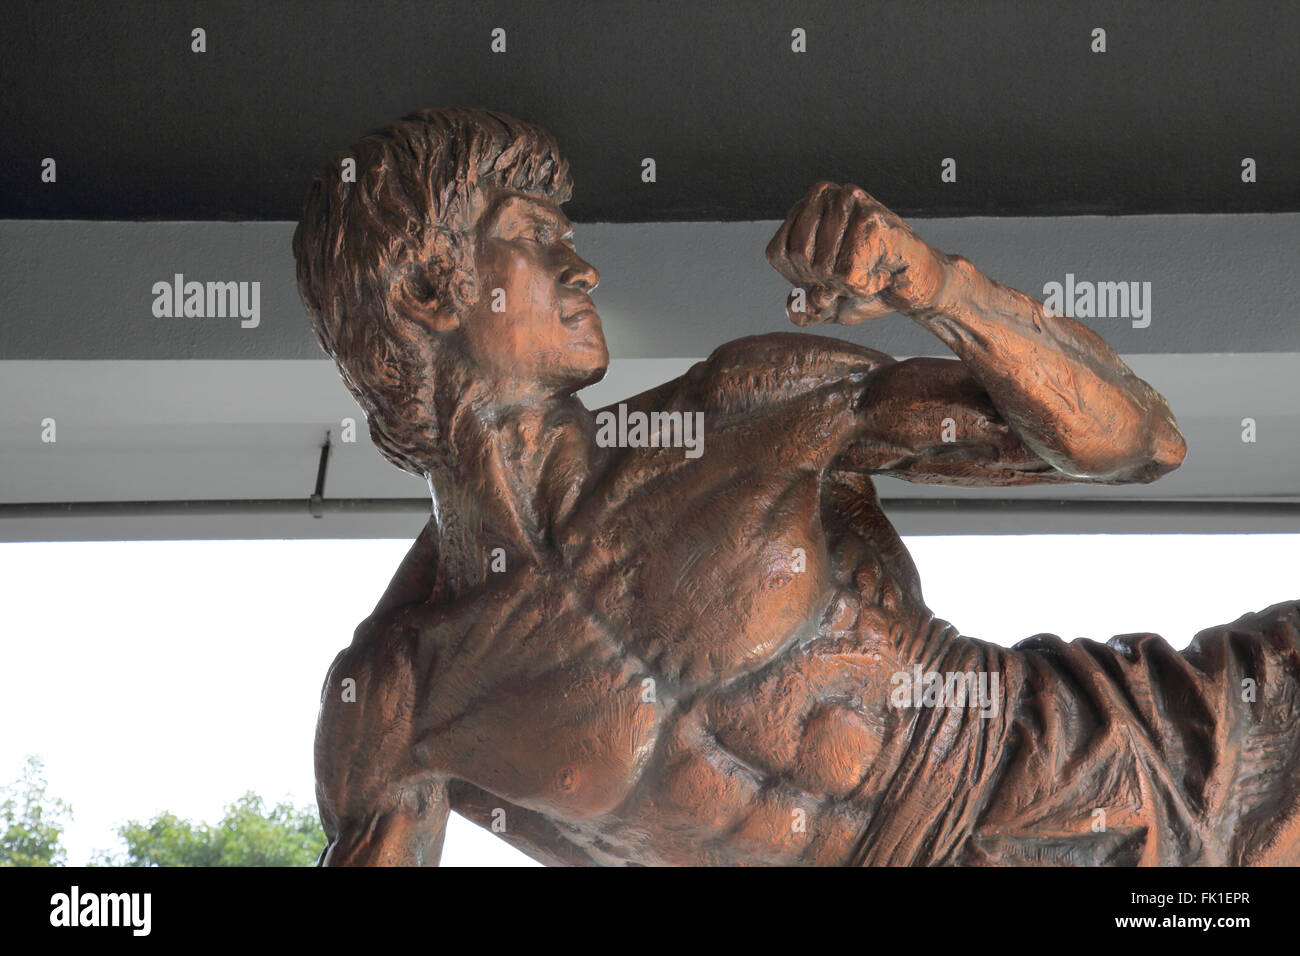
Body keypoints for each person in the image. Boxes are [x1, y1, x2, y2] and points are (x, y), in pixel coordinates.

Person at [293, 108, 1299, 866]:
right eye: (534, 234)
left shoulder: (745, 412)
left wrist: (931, 283)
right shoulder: (399, 696)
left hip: (1117, 767)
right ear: (429, 291)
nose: (582, 265)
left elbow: (1134, 440)